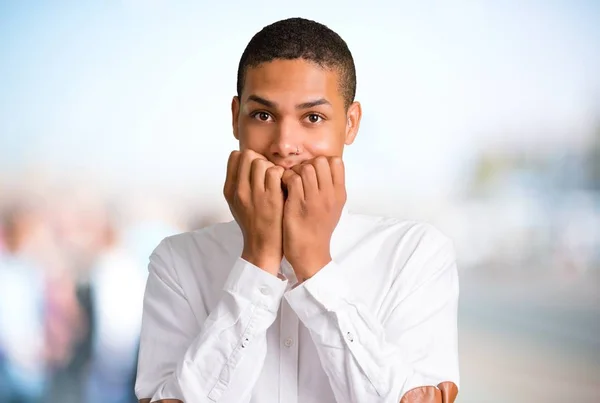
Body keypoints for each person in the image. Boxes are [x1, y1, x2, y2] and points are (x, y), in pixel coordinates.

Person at [135, 17, 459, 403]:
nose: (285, 144)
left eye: (313, 118)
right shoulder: (177, 262)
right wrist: (257, 263)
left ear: (351, 124)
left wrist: (314, 267)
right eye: (263, 115)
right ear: (236, 118)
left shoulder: (414, 255)